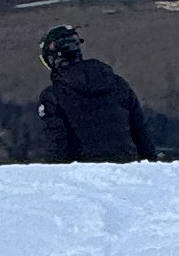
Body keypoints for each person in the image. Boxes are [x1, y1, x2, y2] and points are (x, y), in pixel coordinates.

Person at [25, 20, 156, 162]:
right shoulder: (117, 84)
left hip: (81, 177)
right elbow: (142, 136)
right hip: (126, 173)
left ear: (51, 59)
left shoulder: (52, 96)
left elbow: (57, 146)